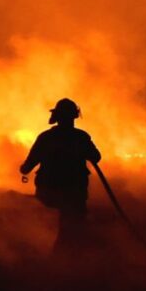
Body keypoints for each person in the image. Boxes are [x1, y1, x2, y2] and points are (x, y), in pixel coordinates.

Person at [19, 98, 102, 249]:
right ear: (74, 116)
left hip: (49, 192)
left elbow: (30, 162)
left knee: (48, 224)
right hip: (74, 193)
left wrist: (24, 169)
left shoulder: (46, 137)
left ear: (57, 117)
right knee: (73, 228)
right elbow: (96, 157)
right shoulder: (81, 137)